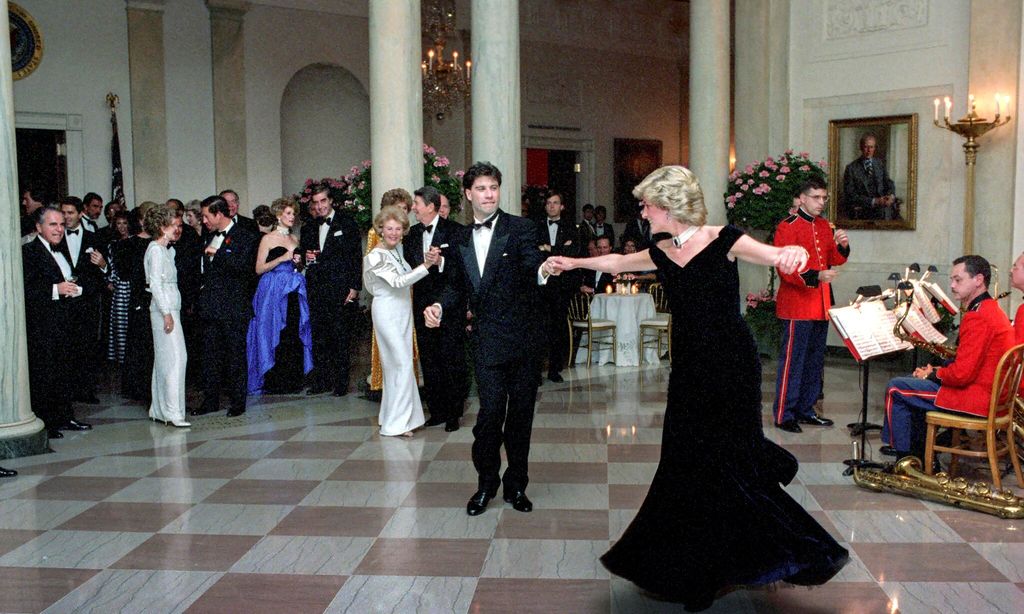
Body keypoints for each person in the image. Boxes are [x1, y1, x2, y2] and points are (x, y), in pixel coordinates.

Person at [547, 165, 848, 610]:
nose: (643, 213)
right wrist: (573, 262)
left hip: (731, 364)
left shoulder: (724, 238)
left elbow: (773, 254)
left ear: (667, 205)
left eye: (647, 205)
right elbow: (614, 262)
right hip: (689, 368)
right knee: (686, 461)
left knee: (729, 459)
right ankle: (691, 564)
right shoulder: (661, 249)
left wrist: (792, 257)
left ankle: (763, 554)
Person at [426, 161, 550, 517]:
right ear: (468, 194)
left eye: (493, 187)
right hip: (485, 341)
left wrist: (543, 270)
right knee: (490, 415)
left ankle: (517, 485)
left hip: (523, 339)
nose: (488, 193)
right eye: (481, 188)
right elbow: (454, 286)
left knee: (521, 416)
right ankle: (485, 484)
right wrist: (438, 305)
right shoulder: (460, 237)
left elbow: (532, 266)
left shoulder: (521, 227)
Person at [881, 256, 1015, 460]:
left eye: (958, 280)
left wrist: (933, 375)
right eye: (952, 279)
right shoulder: (991, 309)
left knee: (896, 387)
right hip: (993, 397)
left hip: (977, 399)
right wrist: (934, 373)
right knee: (912, 385)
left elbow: (962, 375)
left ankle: (905, 459)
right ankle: (921, 458)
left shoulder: (978, 316)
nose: (952, 285)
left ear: (978, 280)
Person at [772, 177, 849, 433]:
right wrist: (815, 276)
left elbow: (833, 258)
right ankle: (784, 414)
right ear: (802, 198)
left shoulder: (824, 226)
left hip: (820, 304)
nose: (821, 202)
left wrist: (843, 246)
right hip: (797, 305)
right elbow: (785, 268)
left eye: (824, 198)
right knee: (793, 362)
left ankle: (806, 409)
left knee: (814, 362)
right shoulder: (787, 226)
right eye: (816, 197)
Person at [365, 206, 437, 437]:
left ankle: (393, 417)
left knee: (397, 367)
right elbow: (398, 282)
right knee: (402, 365)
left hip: (402, 312)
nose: (394, 233)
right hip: (387, 311)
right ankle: (398, 424)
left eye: (398, 229)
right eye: (389, 229)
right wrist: (426, 266)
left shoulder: (397, 251)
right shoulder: (375, 255)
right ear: (381, 230)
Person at [22, 206, 94, 439]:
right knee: (46, 372)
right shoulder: (29, 252)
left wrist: (73, 289)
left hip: (65, 322)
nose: (59, 229)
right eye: (53, 224)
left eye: (62, 224)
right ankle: (47, 421)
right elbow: (26, 289)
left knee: (65, 370)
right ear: (38, 227)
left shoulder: (60, 251)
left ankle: (65, 416)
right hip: (43, 325)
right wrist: (56, 289)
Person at [191, 195, 259, 417]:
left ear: (219, 214)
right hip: (210, 307)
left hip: (233, 308)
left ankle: (238, 402)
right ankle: (210, 401)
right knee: (210, 356)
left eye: (206, 216)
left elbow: (243, 268)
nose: (204, 221)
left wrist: (217, 254)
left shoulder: (245, 237)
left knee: (235, 356)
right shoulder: (206, 236)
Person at [406, 186, 466, 431]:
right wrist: (423, 263)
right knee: (429, 359)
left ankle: (454, 414)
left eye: (417, 203)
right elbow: (410, 265)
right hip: (421, 304)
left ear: (430, 206)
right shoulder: (411, 234)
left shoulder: (456, 231)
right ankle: (437, 410)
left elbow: (462, 270)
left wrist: (440, 261)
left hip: (449, 306)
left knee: (451, 358)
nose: (413, 207)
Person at [300, 183, 362, 396]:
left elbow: (355, 257)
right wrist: (304, 258)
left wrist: (355, 287)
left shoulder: (347, 223)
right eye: (316, 203)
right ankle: (321, 381)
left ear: (331, 201)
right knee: (320, 336)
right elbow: (303, 254)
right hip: (317, 289)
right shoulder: (308, 226)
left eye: (323, 201)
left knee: (340, 336)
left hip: (341, 289)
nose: (319, 207)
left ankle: (341, 383)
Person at [246, 198, 313, 395]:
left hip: (293, 288)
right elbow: (259, 269)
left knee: (292, 330)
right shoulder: (267, 239)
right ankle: (273, 379)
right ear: (278, 215)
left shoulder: (295, 239)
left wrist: (300, 263)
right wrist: (282, 258)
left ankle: (292, 379)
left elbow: (297, 267)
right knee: (273, 329)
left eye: (294, 214)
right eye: (288, 213)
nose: (292, 217)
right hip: (272, 289)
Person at [142, 205, 190, 427]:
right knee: (175, 359)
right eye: (175, 225)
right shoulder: (155, 250)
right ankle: (172, 412)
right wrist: (166, 314)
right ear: (162, 227)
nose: (178, 229)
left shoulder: (166, 250)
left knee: (167, 359)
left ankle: (161, 409)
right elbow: (156, 285)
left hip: (171, 308)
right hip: (165, 310)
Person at [59, 196, 109, 405]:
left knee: (88, 345)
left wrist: (103, 264)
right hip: (63, 300)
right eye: (63, 213)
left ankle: (86, 389)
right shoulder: (56, 237)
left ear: (80, 214)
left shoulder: (94, 237)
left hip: (87, 301)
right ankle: (66, 391)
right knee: (65, 346)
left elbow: (108, 270)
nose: (66, 217)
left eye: (70, 213)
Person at [366, 188, 415, 396]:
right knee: (397, 359)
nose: (401, 214)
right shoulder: (377, 240)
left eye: (405, 209)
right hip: (389, 297)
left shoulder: (404, 238)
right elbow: (382, 276)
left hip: (405, 297)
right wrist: (426, 267)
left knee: (405, 357)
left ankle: (403, 408)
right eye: (398, 209)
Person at [535, 189, 580, 382]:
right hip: (540, 286)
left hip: (562, 287)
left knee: (558, 328)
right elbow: (533, 253)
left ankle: (555, 369)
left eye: (555, 203)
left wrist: (549, 249)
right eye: (549, 203)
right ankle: (535, 372)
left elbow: (573, 253)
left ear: (562, 206)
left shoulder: (571, 228)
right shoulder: (535, 227)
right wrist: (557, 249)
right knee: (538, 328)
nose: (551, 206)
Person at [841, 133, 898, 220]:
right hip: (864, 209)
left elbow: (889, 182)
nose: (869, 150)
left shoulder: (879, 164)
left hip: (883, 208)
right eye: (866, 147)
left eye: (871, 147)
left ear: (874, 148)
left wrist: (891, 196)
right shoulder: (851, 168)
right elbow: (850, 195)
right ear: (861, 148)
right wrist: (874, 201)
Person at [106, 211, 132, 364]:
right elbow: (111, 266)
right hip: (120, 287)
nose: (122, 227)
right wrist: (111, 281)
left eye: (125, 223)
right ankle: (121, 358)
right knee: (120, 325)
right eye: (118, 223)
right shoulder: (113, 245)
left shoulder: (135, 241)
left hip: (132, 286)